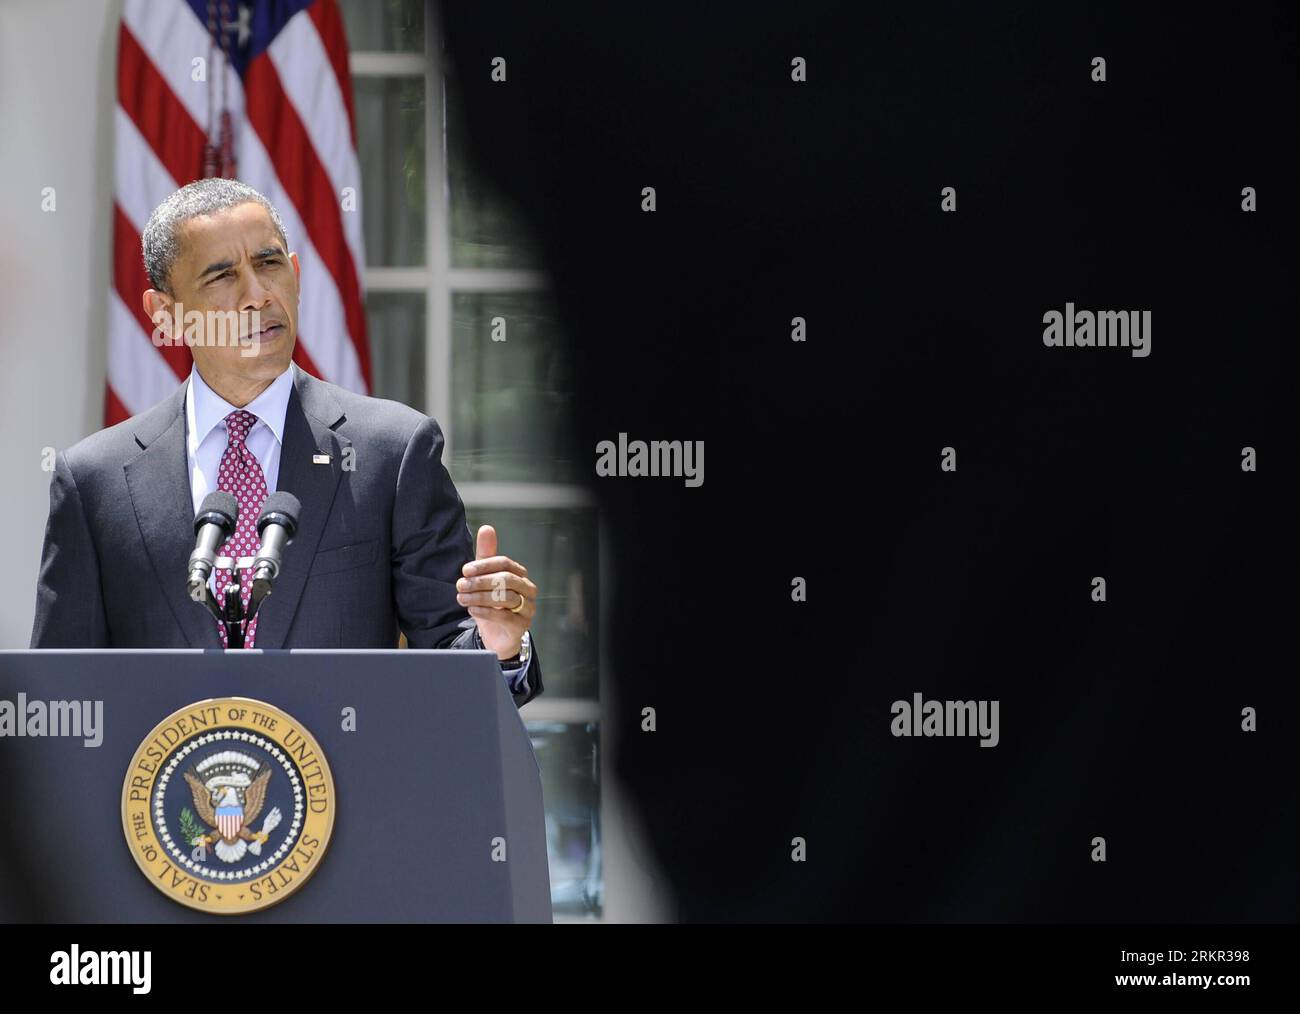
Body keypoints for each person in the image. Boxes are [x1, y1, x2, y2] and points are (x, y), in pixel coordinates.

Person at [30, 178, 541, 709]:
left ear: (296, 275)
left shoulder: (392, 451)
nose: (258, 295)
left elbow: (453, 668)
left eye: (269, 264)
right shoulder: (95, 481)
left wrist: (501, 645)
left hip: (343, 790)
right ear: (166, 314)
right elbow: (60, 703)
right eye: (223, 275)